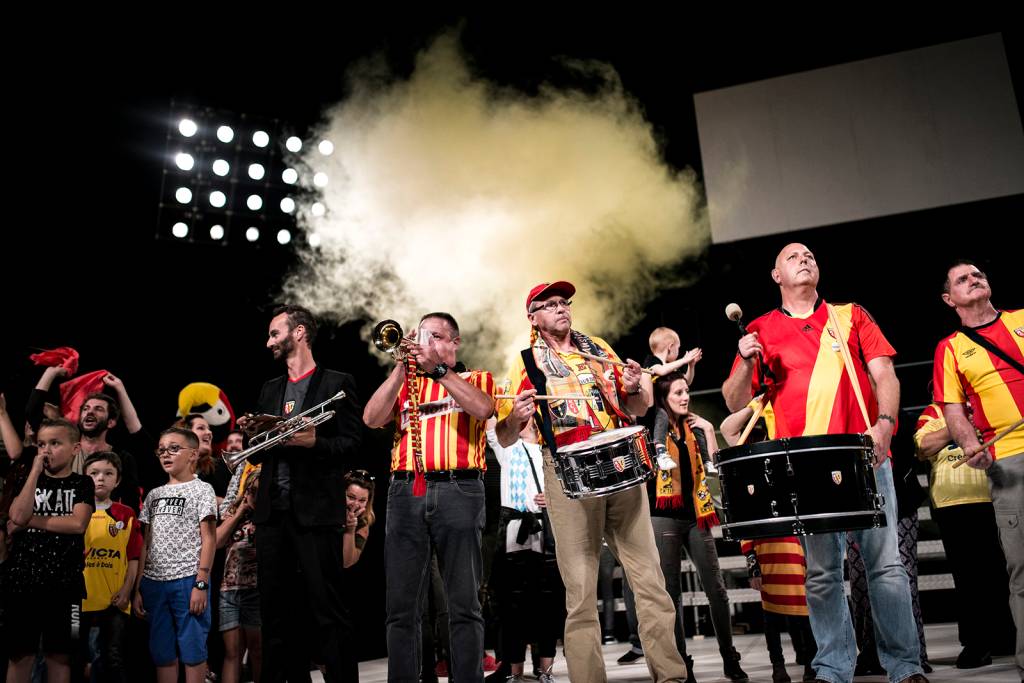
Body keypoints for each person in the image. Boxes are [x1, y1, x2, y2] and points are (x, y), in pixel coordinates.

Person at [721, 244, 926, 683]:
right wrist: (743, 357)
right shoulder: (759, 329)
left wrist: (886, 425)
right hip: (803, 465)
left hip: (863, 455)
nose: (804, 259)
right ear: (776, 275)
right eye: (793, 257)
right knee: (821, 574)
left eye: (810, 255)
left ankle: (904, 666)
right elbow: (736, 401)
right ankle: (833, 668)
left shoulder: (850, 314)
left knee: (886, 567)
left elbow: (884, 373)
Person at [496, 281, 689, 683]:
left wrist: (636, 387)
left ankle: (671, 676)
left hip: (620, 463)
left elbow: (637, 408)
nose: (561, 309)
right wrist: (517, 414)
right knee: (580, 591)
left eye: (564, 302)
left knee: (650, 580)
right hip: (567, 471)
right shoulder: (527, 361)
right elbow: (506, 435)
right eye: (549, 305)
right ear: (533, 317)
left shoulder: (598, 348)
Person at [363, 312, 496, 683]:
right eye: (420, 336)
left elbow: (484, 409)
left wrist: (437, 370)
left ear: (454, 342)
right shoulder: (407, 384)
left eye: (434, 336)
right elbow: (371, 418)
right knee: (401, 607)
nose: (424, 342)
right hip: (406, 491)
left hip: (459, 489)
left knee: (463, 604)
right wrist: (400, 371)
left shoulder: (474, 378)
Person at [247, 304, 363, 682]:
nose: (269, 343)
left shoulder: (336, 382)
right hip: (272, 515)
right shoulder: (269, 388)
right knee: (277, 613)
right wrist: (256, 432)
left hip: (316, 513)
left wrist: (315, 443)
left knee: (327, 610)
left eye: (275, 334)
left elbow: (352, 443)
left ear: (299, 333)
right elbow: (263, 448)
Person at [620, 370, 745, 681]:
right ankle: (681, 664)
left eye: (686, 391)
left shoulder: (694, 426)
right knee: (670, 594)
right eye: (677, 392)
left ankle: (730, 659)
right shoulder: (652, 423)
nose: (685, 397)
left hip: (697, 516)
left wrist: (709, 430)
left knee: (716, 589)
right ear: (664, 396)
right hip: (663, 515)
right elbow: (650, 376)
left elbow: (717, 470)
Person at [932, 260, 1023, 679]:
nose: (975, 279)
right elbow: (953, 407)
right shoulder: (950, 348)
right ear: (950, 299)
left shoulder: (1023, 320)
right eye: (963, 279)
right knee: (1022, 571)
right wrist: (971, 445)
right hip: (1009, 463)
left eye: (978, 273)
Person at [721, 401, 817, 683]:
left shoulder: (787, 450)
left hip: (794, 542)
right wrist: (758, 403)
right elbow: (728, 428)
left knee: (803, 608)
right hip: (764, 546)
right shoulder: (745, 458)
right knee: (771, 612)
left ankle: (810, 661)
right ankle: (778, 665)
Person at [914, 401, 1013, 668]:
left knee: (1003, 571)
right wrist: (959, 424)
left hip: (997, 497)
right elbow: (923, 447)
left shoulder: (984, 401)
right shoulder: (933, 413)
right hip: (953, 506)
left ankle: (1007, 637)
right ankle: (975, 643)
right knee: (968, 575)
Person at [4, 418, 95, 683]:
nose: (46, 450)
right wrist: (34, 472)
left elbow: (78, 524)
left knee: (61, 658)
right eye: (42, 444)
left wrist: (30, 521)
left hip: (65, 587)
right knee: (20, 656)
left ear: (75, 448)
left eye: (55, 443)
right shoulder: (27, 478)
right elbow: (17, 512)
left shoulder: (82, 484)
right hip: (22, 584)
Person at [133, 427, 217, 683]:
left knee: (193, 650)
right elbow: (145, 543)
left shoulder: (203, 490)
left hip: (187, 579)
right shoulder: (153, 495)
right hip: (154, 583)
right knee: (162, 652)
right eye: (161, 450)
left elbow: (209, 538)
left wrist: (201, 583)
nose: (165, 454)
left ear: (193, 454)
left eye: (173, 448)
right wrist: (138, 587)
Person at [485, 417, 565, 683]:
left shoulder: (550, 454)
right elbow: (488, 419)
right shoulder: (506, 447)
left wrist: (553, 499)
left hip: (544, 528)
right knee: (512, 604)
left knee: (548, 602)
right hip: (513, 527)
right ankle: (515, 672)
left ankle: (545, 670)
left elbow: (568, 492)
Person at [82, 451, 143, 683]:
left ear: (117, 480)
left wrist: (127, 591)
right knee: (80, 657)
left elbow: (134, 557)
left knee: (113, 656)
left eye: (108, 474)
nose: (100, 478)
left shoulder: (126, 514)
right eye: (94, 473)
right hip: (82, 600)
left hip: (115, 601)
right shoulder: (76, 514)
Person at [216, 470, 261, 683]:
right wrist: (240, 510)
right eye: (252, 491)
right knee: (232, 652)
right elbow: (216, 542)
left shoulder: (268, 516)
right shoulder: (234, 513)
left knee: (257, 650)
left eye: (259, 492)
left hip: (256, 589)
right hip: (229, 589)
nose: (254, 496)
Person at [640, 327, 702, 470]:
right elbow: (660, 370)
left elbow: (686, 381)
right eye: (678, 348)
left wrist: (690, 365)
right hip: (653, 413)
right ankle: (660, 451)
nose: (679, 352)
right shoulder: (652, 361)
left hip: (667, 413)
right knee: (662, 414)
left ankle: (705, 460)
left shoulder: (671, 368)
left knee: (693, 421)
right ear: (670, 347)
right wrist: (684, 359)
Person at [342, 469, 375, 568]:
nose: (355, 505)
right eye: (351, 497)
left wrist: (350, 530)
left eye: (362, 500)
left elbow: (347, 562)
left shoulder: (363, 524)